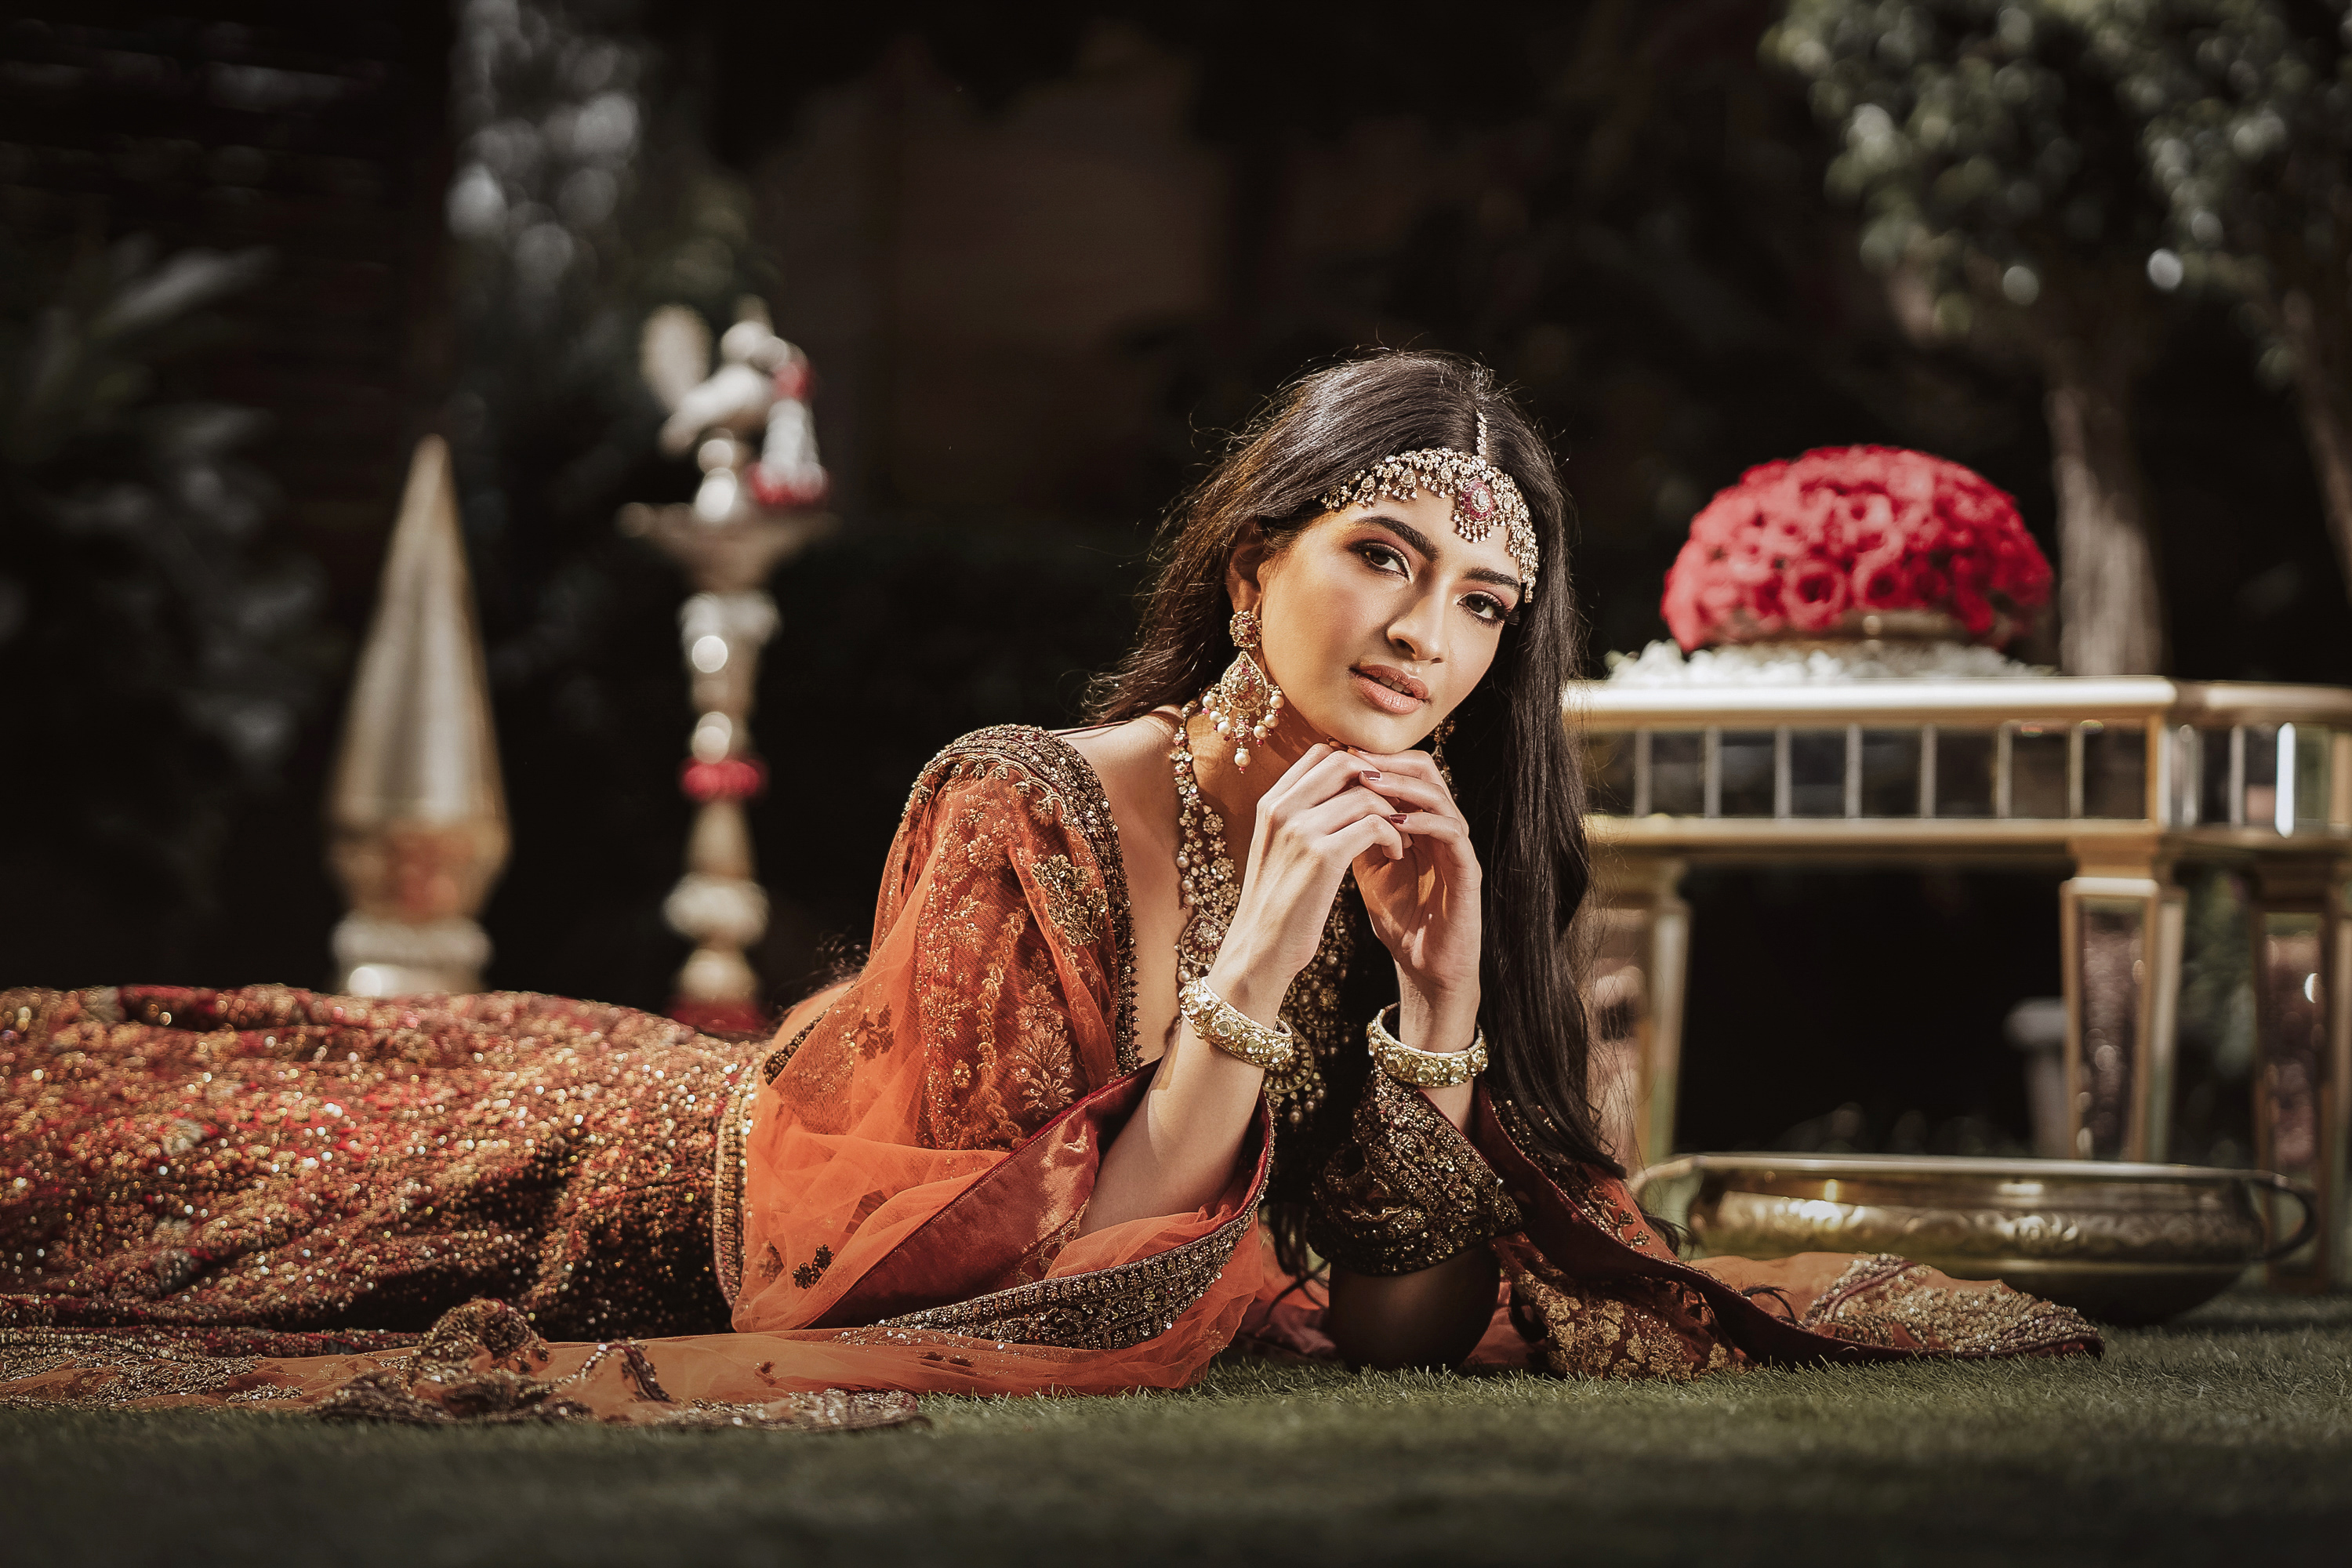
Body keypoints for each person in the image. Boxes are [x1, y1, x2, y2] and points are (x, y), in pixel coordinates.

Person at [0, 351, 2097, 1425]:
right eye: (1380, 557)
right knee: (110, 1145)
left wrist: (1446, 1012)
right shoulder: (1028, 800)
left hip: (709, 1159)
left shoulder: (1423, 867)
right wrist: (1262, 949)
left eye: (1483, 601)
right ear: (1254, 560)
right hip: (596, 1180)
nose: (1424, 633)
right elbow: (1039, 1277)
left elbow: (1403, 1326)